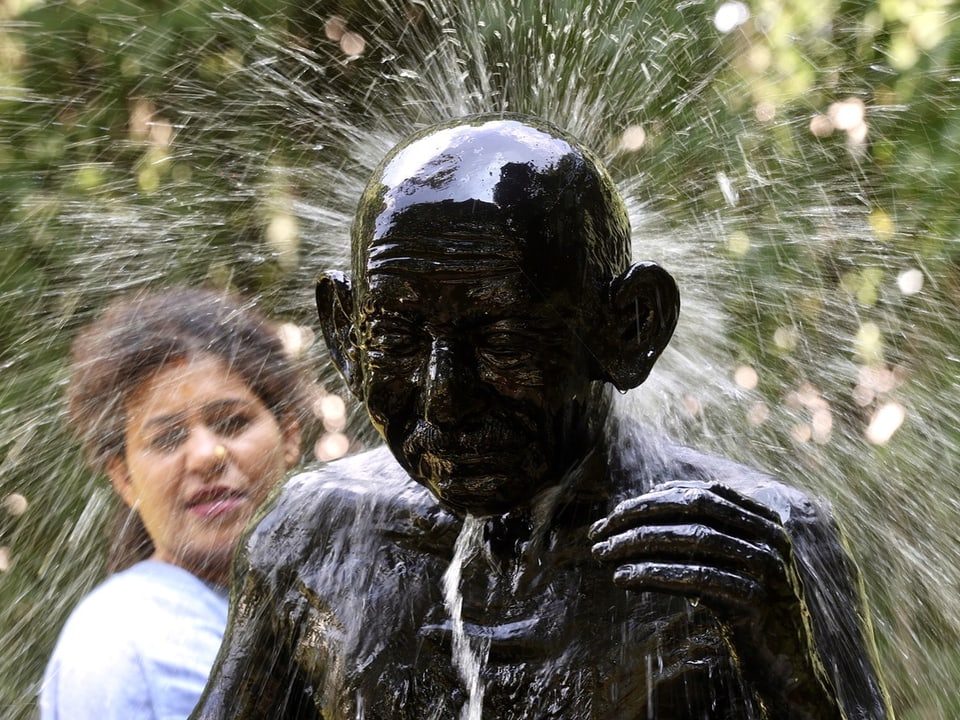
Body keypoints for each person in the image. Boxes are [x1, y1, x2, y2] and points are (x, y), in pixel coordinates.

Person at [191, 115, 892, 719]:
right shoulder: (313, 540)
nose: (443, 398)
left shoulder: (752, 549)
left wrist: (791, 678)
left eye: (503, 342)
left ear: (627, 328)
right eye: (397, 341)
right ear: (345, 333)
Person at [40, 288, 308, 720]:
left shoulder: (325, 598)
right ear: (124, 478)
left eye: (232, 422)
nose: (207, 455)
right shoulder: (126, 644)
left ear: (290, 434)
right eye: (167, 438)